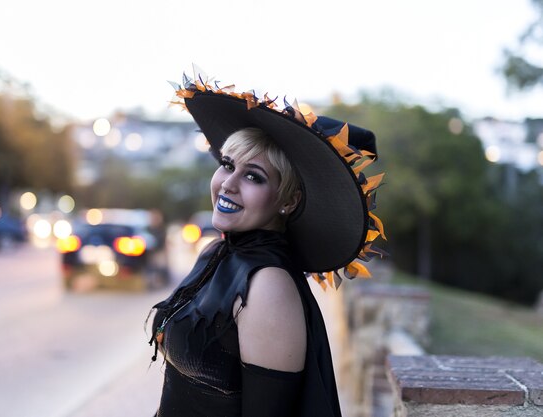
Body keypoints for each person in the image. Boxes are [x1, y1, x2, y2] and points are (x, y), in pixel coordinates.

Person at [148, 72, 386, 417]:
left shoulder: (268, 286)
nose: (228, 184)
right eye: (227, 165)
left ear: (288, 200)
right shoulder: (216, 254)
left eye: (253, 176)